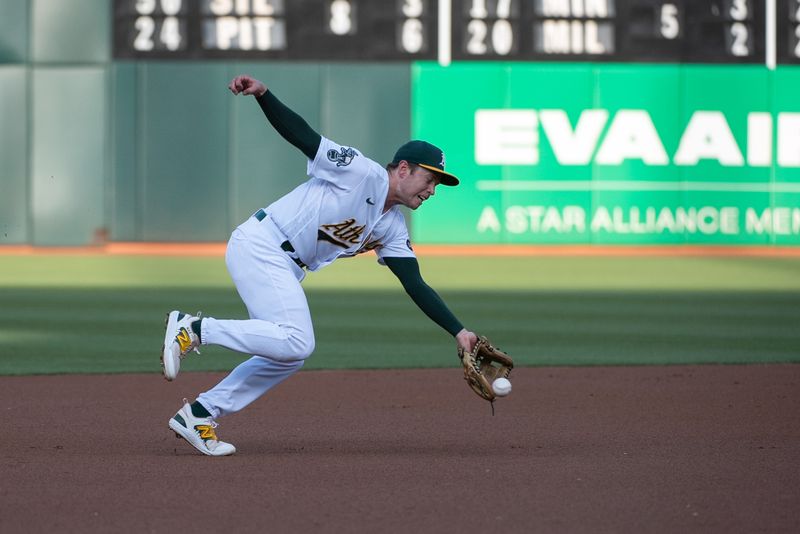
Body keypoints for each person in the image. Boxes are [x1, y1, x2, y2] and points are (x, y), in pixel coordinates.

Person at [161, 74, 478, 456]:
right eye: (430, 179)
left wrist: (458, 332)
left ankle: (199, 413)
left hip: (283, 264)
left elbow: (415, 283)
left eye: (438, 185)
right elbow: (304, 137)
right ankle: (195, 329)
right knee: (298, 340)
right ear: (405, 169)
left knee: (288, 356)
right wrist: (263, 95)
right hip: (263, 244)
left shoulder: (392, 226)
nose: (432, 190)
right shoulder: (362, 173)